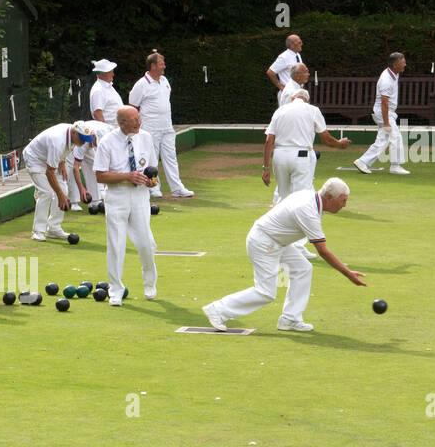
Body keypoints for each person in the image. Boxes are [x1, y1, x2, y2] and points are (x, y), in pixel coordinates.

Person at [202, 177, 365, 333]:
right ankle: (218, 310)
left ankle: (290, 319)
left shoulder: (311, 199)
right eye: (343, 200)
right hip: (264, 243)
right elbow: (323, 250)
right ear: (329, 198)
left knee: (303, 268)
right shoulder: (307, 210)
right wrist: (347, 273)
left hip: (277, 241)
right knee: (265, 292)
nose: (345, 205)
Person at [94, 107, 158, 306]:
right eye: (133, 121)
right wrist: (127, 176)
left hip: (140, 197)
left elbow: (153, 172)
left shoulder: (146, 138)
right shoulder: (107, 142)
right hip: (117, 197)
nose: (138, 123)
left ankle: (150, 282)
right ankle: (115, 289)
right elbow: (100, 175)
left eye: (139, 118)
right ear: (122, 123)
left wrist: (151, 182)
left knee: (146, 243)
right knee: (116, 243)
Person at [128, 52, 194, 199]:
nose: (164, 66)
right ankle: (153, 187)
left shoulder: (164, 80)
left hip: (167, 127)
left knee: (171, 158)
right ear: (153, 66)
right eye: (161, 63)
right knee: (151, 159)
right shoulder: (141, 84)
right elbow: (133, 107)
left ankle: (177, 188)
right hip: (150, 129)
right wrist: (136, 127)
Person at [21, 122, 95, 241]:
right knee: (47, 193)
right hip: (35, 159)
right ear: (74, 133)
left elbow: (64, 150)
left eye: (86, 139)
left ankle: (54, 228)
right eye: (82, 139)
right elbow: (49, 172)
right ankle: (38, 231)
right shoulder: (57, 141)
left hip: (50, 159)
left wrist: (62, 162)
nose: (84, 142)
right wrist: (60, 196)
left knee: (64, 189)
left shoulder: (73, 135)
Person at [354, 52, 411, 175]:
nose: (405, 65)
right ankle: (395, 166)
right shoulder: (386, 80)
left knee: (383, 140)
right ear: (395, 65)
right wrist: (386, 122)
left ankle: (363, 161)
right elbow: (384, 103)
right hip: (384, 112)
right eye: (403, 63)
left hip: (387, 112)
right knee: (395, 137)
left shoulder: (394, 74)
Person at [86, 59, 123, 209]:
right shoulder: (98, 90)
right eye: (110, 71)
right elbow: (97, 112)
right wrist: (105, 132)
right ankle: (99, 197)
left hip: (113, 130)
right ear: (101, 74)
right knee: (102, 162)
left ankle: (106, 194)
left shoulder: (108, 87)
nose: (113, 73)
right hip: (105, 131)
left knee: (112, 162)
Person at [266, 34, 304, 101]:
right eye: (299, 42)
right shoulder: (284, 57)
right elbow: (270, 72)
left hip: (298, 92)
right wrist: (280, 86)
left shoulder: (297, 55)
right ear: (292, 45)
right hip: (288, 93)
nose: (302, 44)